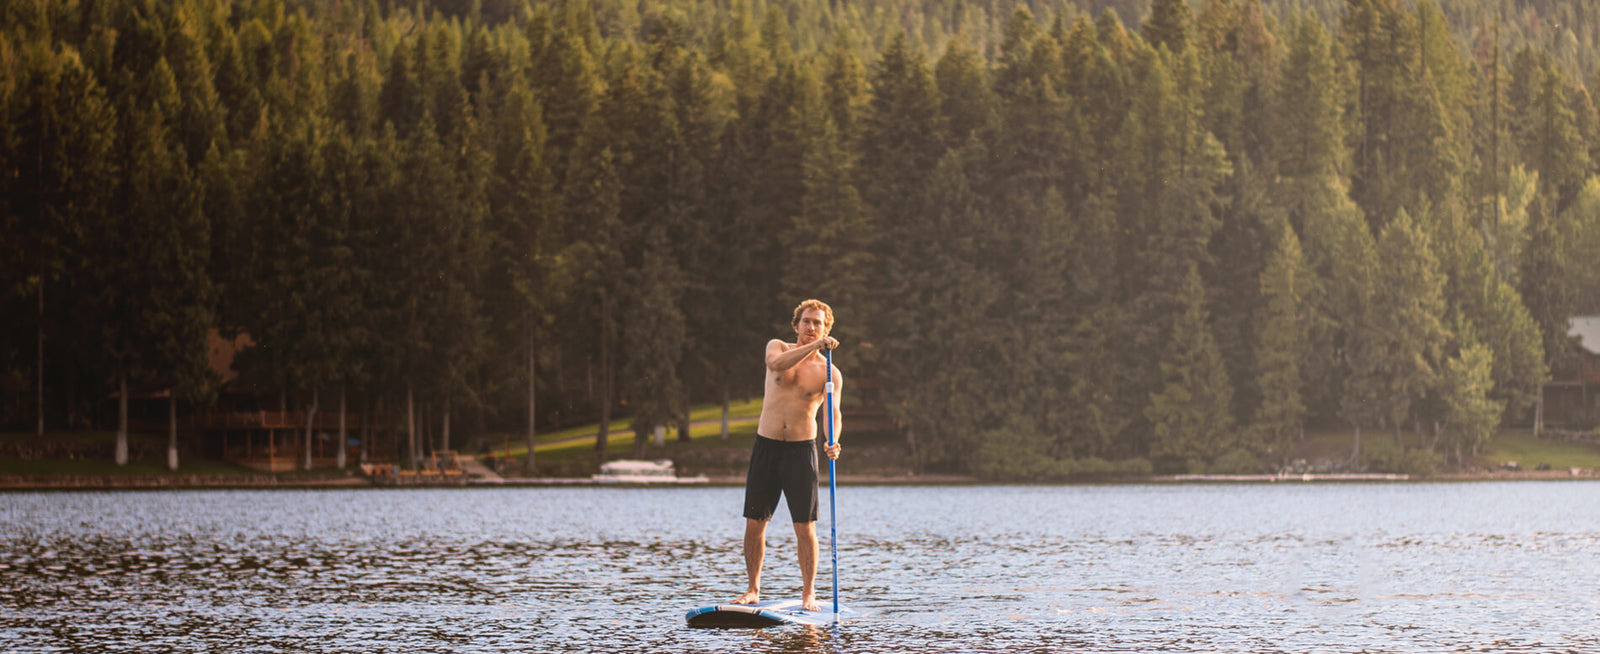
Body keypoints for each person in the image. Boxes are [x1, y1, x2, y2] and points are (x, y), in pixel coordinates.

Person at [732, 299, 843, 612]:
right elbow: (776, 367)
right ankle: (753, 589)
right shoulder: (777, 348)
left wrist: (832, 441)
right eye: (806, 322)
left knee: (804, 527)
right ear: (796, 325)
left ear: (826, 329)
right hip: (766, 447)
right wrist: (815, 345)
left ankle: (809, 594)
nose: (811, 327)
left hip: (800, 452)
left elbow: (832, 413)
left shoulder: (830, 371)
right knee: (755, 524)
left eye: (817, 323)